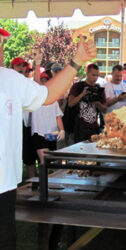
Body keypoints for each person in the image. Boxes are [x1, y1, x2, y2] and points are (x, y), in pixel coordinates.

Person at [0, 30, 96, 250]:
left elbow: (47, 94)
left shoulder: (8, 78)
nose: (2, 49)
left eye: (3, 44)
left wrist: (77, 61)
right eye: (1, 44)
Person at [31, 72, 65, 164]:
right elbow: (35, 82)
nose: (44, 82)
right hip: (39, 132)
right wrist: (37, 65)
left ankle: (47, 177)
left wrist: (62, 130)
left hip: (52, 133)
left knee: (50, 162)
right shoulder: (34, 98)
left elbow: (58, 116)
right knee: (44, 160)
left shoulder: (53, 100)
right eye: (42, 80)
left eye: (46, 80)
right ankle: (43, 178)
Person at [68, 63, 107, 143]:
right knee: (80, 152)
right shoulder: (78, 86)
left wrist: (97, 103)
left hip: (94, 127)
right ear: (87, 73)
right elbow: (70, 103)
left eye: (97, 75)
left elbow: (104, 109)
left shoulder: (99, 89)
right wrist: (82, 94)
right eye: (93, 75)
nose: (95, 78)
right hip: (80, 128)